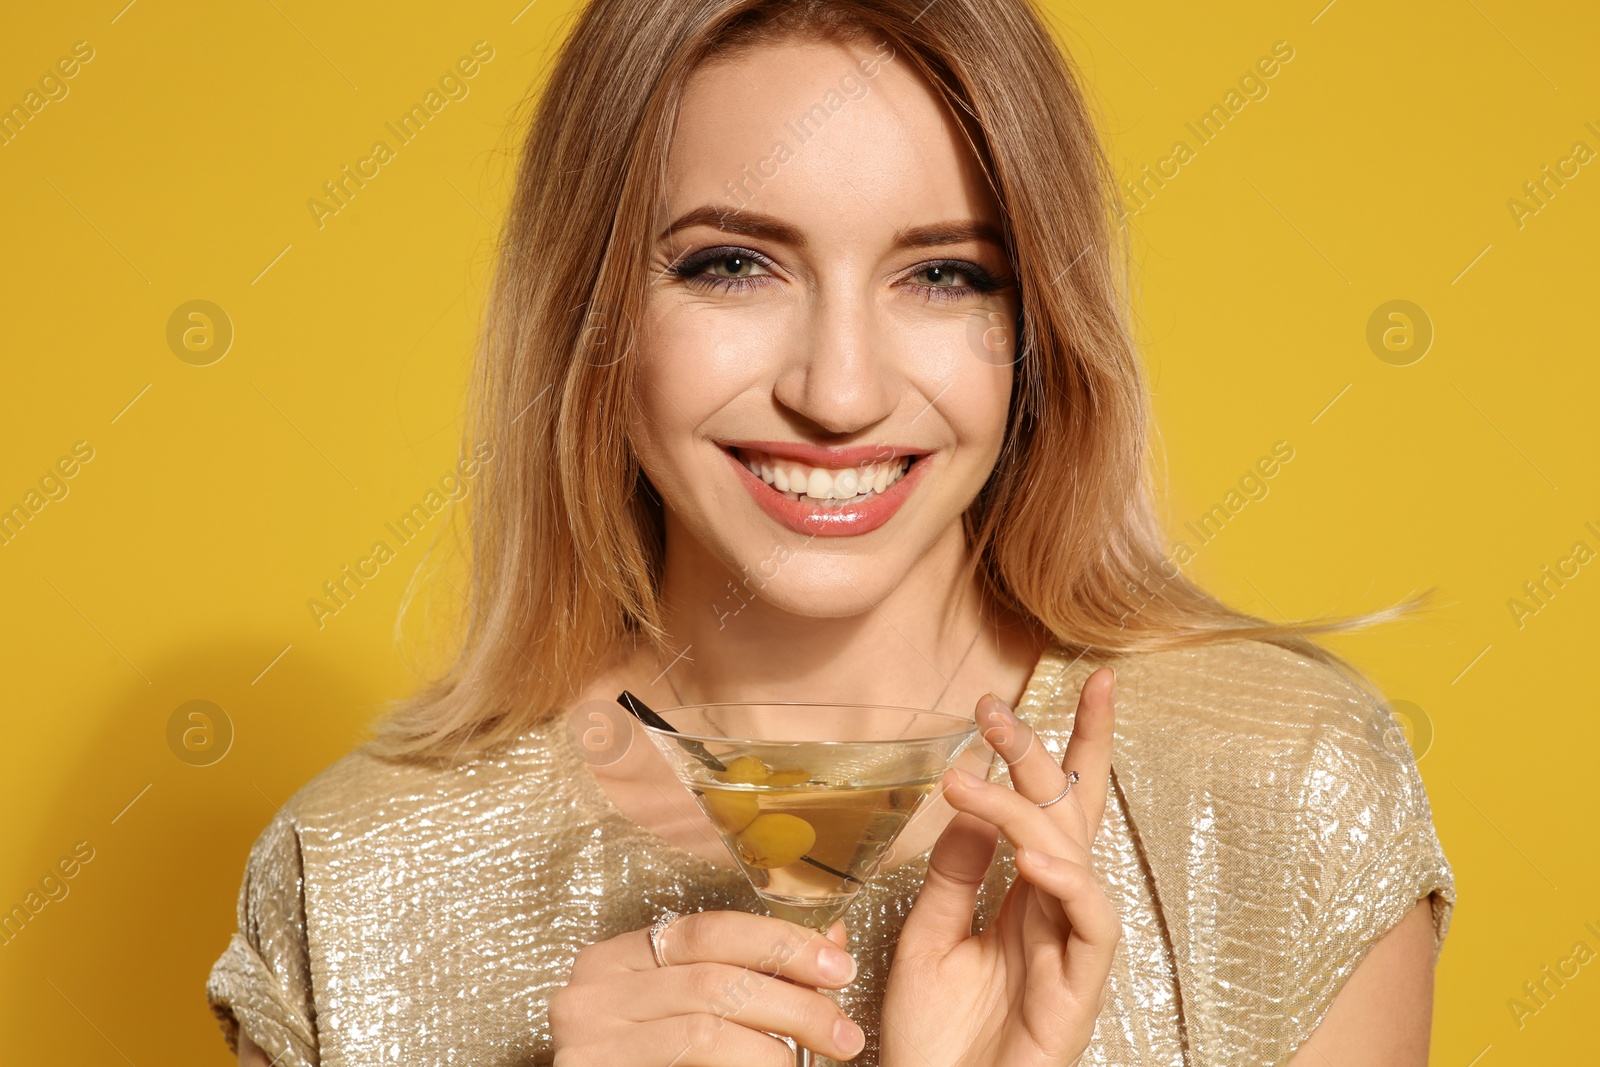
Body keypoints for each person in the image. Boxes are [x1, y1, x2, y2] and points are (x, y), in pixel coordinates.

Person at [207, 1, 1454, 1064]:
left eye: (946, 274)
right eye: (732, 264)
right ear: (590, 309)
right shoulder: (360, 887)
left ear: (1037, 328)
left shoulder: (1275, 793)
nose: (841, 391)